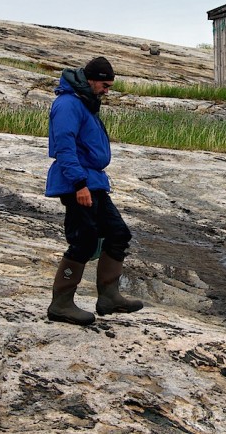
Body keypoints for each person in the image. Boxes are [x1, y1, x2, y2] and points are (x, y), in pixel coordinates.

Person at [45, 56, 143, 325]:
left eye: (109, 86)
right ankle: (61, 304)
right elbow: (64, 147)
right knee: (84, 241)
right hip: (78, 182)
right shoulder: (68, 104)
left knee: (118, 233)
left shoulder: (85, 103)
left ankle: (109, 297)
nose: (107, 90)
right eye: (104, 84)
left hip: (94, 182)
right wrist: (79, 184)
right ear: (90, 80)